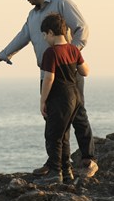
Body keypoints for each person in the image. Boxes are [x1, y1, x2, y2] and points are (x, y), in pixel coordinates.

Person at [0, 0, 98, 179]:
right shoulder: (33, 15)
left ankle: (89, 160)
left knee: (77, 114)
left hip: (68, 71)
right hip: (47, 71)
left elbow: (82, 28)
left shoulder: (62, 3)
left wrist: (71, 53)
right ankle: (59, 163)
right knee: (53, 119)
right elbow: (22, 37)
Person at [37, 13, 89, 183]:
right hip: (74, 96)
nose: (45, 39)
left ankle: (54, 173)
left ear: (51, 32)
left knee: (53, 136)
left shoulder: (51, 53)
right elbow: (85, 71)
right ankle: (66, 172)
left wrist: (43, 100)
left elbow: (49, 78)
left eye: (44, 35)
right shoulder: (73, 49)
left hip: (59, 98)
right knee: (63, 134)